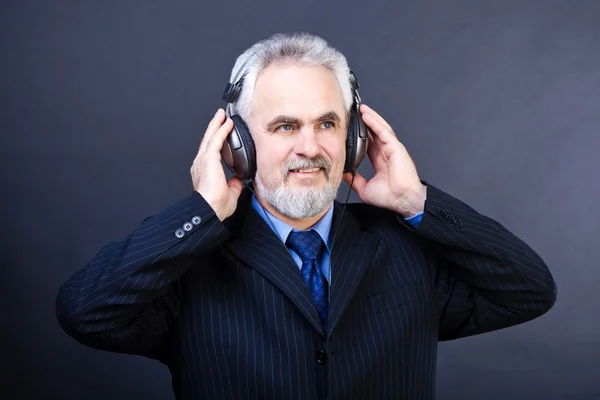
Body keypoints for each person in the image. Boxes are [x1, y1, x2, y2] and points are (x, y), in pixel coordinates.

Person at [55, 32, 557, 400]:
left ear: (354, 139)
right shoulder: (190, 264)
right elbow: (84, 312)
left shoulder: (404, 248)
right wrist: (203, 211)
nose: (310, 147)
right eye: (285, 125)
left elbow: (530, 290)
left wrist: (416, 201)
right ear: (239, 144)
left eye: (327, 123)